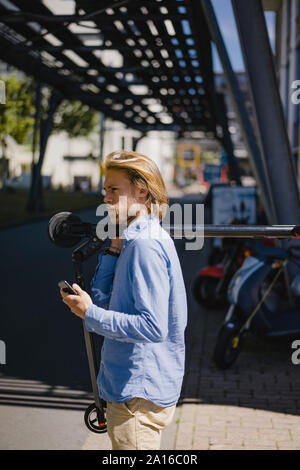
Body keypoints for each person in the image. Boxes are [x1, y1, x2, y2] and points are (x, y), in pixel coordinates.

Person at [60, 150, 187, 450]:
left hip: (136, 401)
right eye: (105, 190)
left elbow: (153, 327)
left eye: (114, 190)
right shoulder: (134, 240)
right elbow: (107, 304)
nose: (105, 198)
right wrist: (113, 249)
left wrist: (89, 314)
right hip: (129, 392)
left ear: (142, 191)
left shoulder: (144, 246)